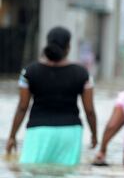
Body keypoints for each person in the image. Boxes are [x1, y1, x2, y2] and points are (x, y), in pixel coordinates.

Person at [6, 26, 97, 165]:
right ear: (68, 47)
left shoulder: (28, 72)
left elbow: (22, 107)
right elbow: (89, 110)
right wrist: (94, 135)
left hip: (38, 131)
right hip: (70, 132)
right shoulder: (83, 74)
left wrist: (12, 136)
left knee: (31, 175)